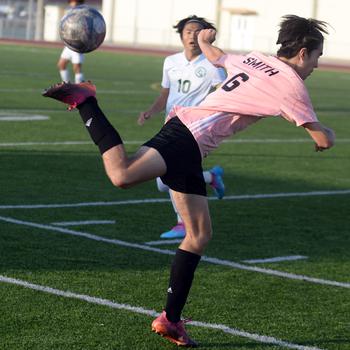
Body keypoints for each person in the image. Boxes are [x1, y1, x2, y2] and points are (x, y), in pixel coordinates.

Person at [43, 14, 335, 348]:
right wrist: (328, 133)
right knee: (121, 174)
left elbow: (217, 57)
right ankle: (85, 100)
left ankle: (170, 319)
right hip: (188, 136)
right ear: (303, 53)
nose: (316, 65)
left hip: (190, 142)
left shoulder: (258, 59)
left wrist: (208, 41)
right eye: (317, 57)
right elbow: (322, 140)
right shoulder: (291, 84)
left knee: (198, 235)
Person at [138, 15, 227, 239]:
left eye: (198, 32)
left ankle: (182, 223)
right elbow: (165, 94)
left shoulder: (212, 64)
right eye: (188, 32)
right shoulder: (171, 61)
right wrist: (151, 111)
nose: (192, 36)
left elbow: (223, 92)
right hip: (171, 124)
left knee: (167, 174)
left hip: (195, 127)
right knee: (163, 181)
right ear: (181, 35)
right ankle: (210, 178)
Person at [57, 0, 85, 83]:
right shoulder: (70, 12)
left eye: (74, 2)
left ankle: (80, 87)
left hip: (78, 43)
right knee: (61, 64)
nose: (72, 4)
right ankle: (67, 85)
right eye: (71, 2)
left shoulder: (82, 12)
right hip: (69, 43)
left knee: (77, 67)